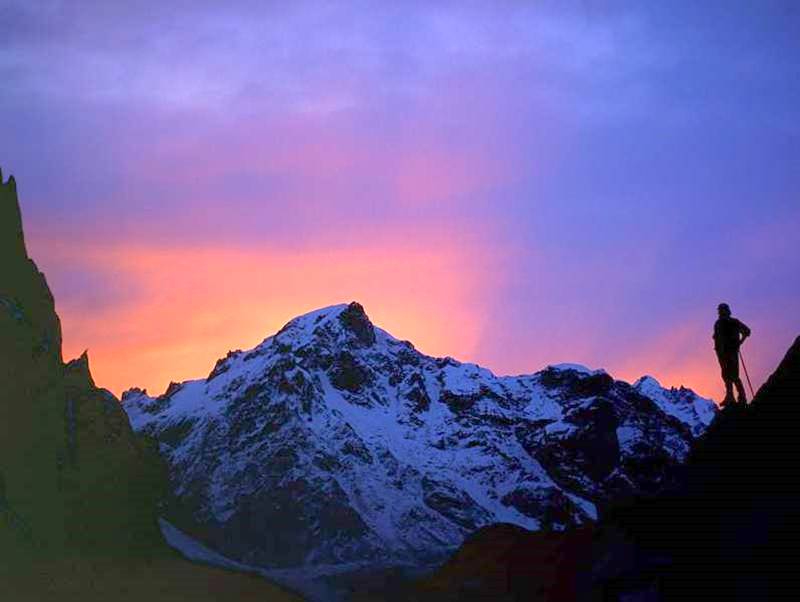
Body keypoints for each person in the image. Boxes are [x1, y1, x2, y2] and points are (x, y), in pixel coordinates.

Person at [713, 303, 751, 406]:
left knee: (733, 374)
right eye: (719, 310)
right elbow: (716, 338)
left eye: (722, 310)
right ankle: (730, 397)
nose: (720, 312)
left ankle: (741, 397)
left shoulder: (733, 322)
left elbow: (747, 331)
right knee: (726, 375)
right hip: (721, 353)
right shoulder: (718, 324)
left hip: (730, 352)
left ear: (727, 311)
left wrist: (739, 343)